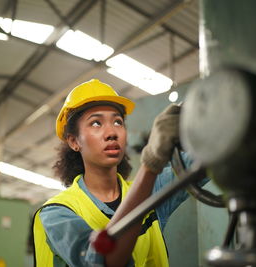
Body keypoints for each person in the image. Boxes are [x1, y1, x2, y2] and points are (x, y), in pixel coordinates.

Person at [32, 79, 196, 267]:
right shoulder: (56, 213)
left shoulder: (152, 190)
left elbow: (206, 158)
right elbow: (101, 261)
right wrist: (151, 162)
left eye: (118, 121)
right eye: (96, 123)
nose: (111, 132)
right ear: (74, 141)